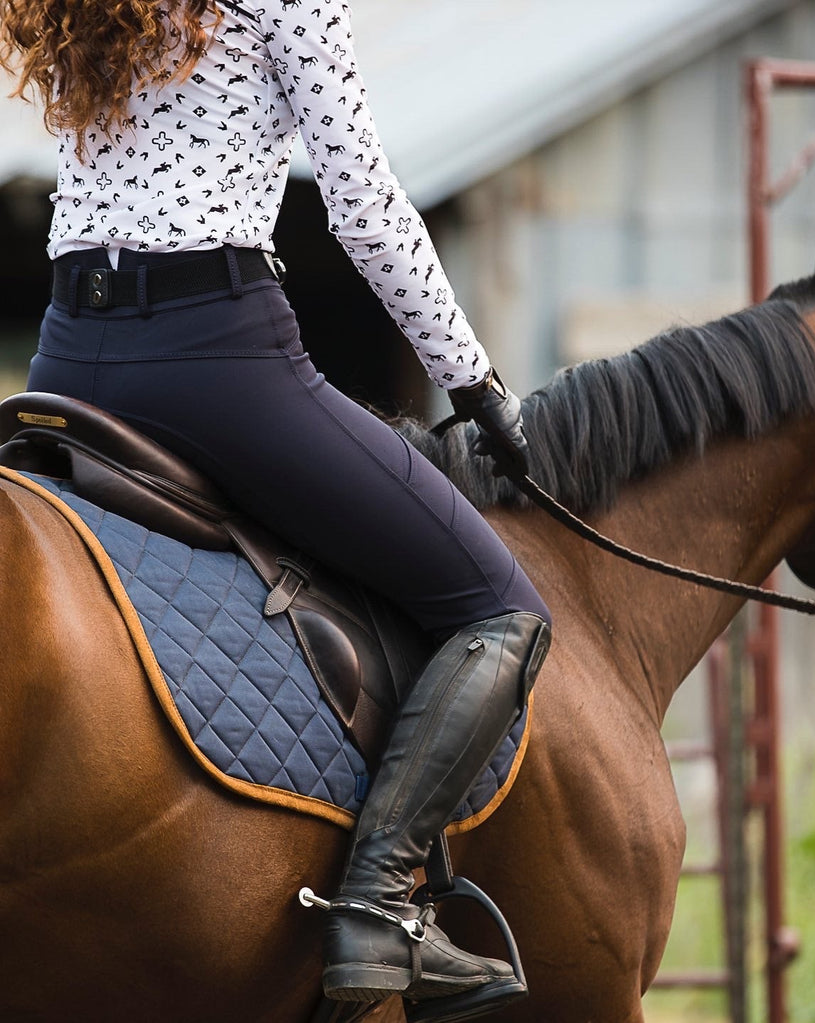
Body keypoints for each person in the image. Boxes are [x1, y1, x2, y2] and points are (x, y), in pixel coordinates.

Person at [0, 0, 552, 1014]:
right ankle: (379, 910)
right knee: (498, 608)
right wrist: (473, 384)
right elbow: (363, 204)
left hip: (68, 357)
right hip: (215, 361)